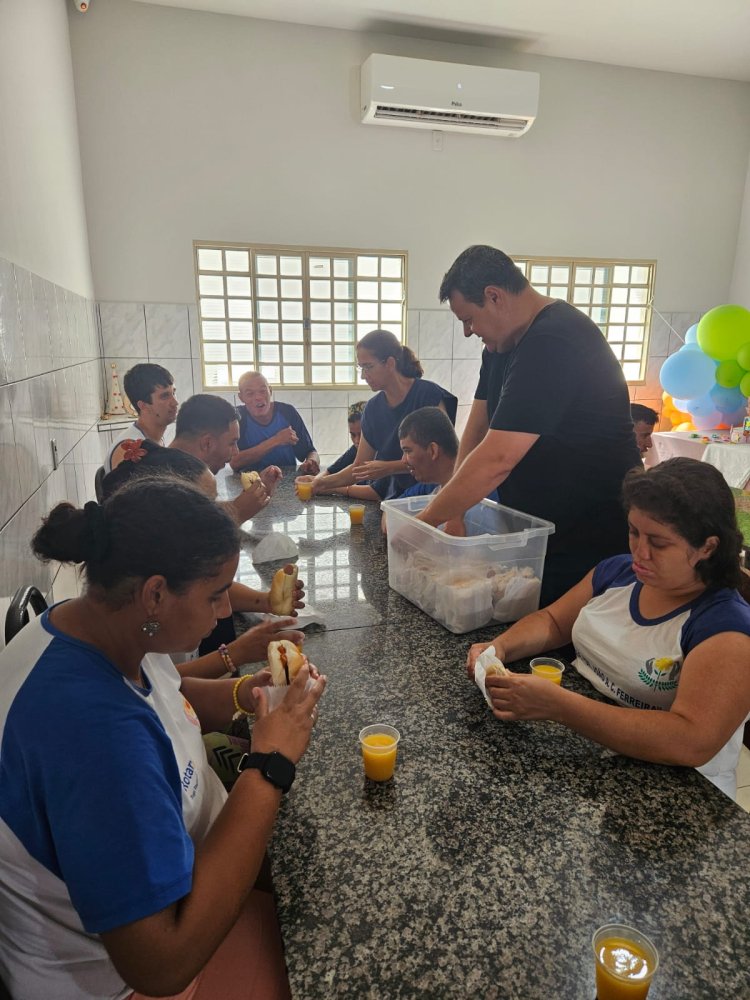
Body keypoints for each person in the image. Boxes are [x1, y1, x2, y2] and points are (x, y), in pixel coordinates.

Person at [0, 478, 326, 1000]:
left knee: (313, 867)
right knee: (326, 948)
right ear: (155, 593)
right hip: (121, 982)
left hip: (186, 874)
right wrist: (270, 762)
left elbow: (171, 693)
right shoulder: (93, 734)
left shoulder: (98, 623)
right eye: (216, 594)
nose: (225, 611)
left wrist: (247, 693)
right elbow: (160, 965)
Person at [467, 458, 750, 800]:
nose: (639, 552)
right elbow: (554, 622)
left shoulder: (726, 630)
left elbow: (690, 741)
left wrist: (560, 706)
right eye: (634, 532)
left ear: (707, 547)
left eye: (658, 543)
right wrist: (498, 649)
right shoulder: (619, 573)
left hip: (677, 791)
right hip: (595, 751)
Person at [416, 245, 641, 605]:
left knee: (556, 647)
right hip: (542, 528)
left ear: (494, 297)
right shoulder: (500, 348)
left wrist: (423, 524)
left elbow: (498, 458)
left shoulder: (554, 339)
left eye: (469, 319)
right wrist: (453, 513)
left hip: (589, 531)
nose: (468, 333)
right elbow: (476, 431)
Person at [101, 441, 305, 666]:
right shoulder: (131, 624)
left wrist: (265, 601)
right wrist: (232, 656)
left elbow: (208, 586)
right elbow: (171, 686)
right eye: (207, 507)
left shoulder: (157, 573)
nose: (223, 610)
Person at [302, 329, 457, 501]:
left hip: (434, 492)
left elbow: (444, 456)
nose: (363, 376)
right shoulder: (373, 409)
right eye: (360, 368)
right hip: (396, 499)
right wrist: (320, 482)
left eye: (368, 367)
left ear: (390, 363)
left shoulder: (428, 395)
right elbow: (359, 467)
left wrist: (388, 468)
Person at [170, 393, 282, 522]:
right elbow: (198, 537)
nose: (236, 452)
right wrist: (238, 512)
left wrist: (254, 497)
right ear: (207, 443)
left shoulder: (167, 464)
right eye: (232, 443)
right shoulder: (170, 483)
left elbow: (202, 512)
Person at [230, 371, 319, 474]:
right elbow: (234, 463)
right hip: (251, 483)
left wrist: (312, 462)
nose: (258, 397)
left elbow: (311, 452)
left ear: (270, 391)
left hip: (286, 480)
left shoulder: (287, 412)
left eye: (262, 391)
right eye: (250, 393)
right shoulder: (238, 418)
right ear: (241, 397)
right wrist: (276, 440)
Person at [105, 363, 178, 472]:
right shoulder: (129, 449)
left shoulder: (155, 438)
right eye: (165, 396)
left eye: (174, 393)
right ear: (143, 405)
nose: (175, 402)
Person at [398, 406, 459, 498]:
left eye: (408, 451)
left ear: (433, 450)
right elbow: (393, 507)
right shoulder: (431, 484)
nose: (403, 460)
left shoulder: (482, 499)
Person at [326, 401, 367, 474]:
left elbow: (373, 486)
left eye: (361, 435)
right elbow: (330, 472)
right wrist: (314, 480)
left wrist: (322, 481)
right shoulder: (354, 450)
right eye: (353, 435)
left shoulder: (382, 455)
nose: (357, 441)